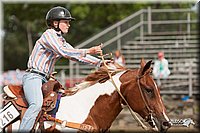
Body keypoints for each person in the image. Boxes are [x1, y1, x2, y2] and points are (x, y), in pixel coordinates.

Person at [19, 6, 104, 132]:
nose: (68, 25)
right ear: (55, 23)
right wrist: (89, 50)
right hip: (34, 77)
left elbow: (75, 55)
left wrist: (100, 62)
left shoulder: (60, 40)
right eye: (66, 22)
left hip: (44, 79)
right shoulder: (49, 35)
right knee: (36, 105)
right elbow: (64, 52)